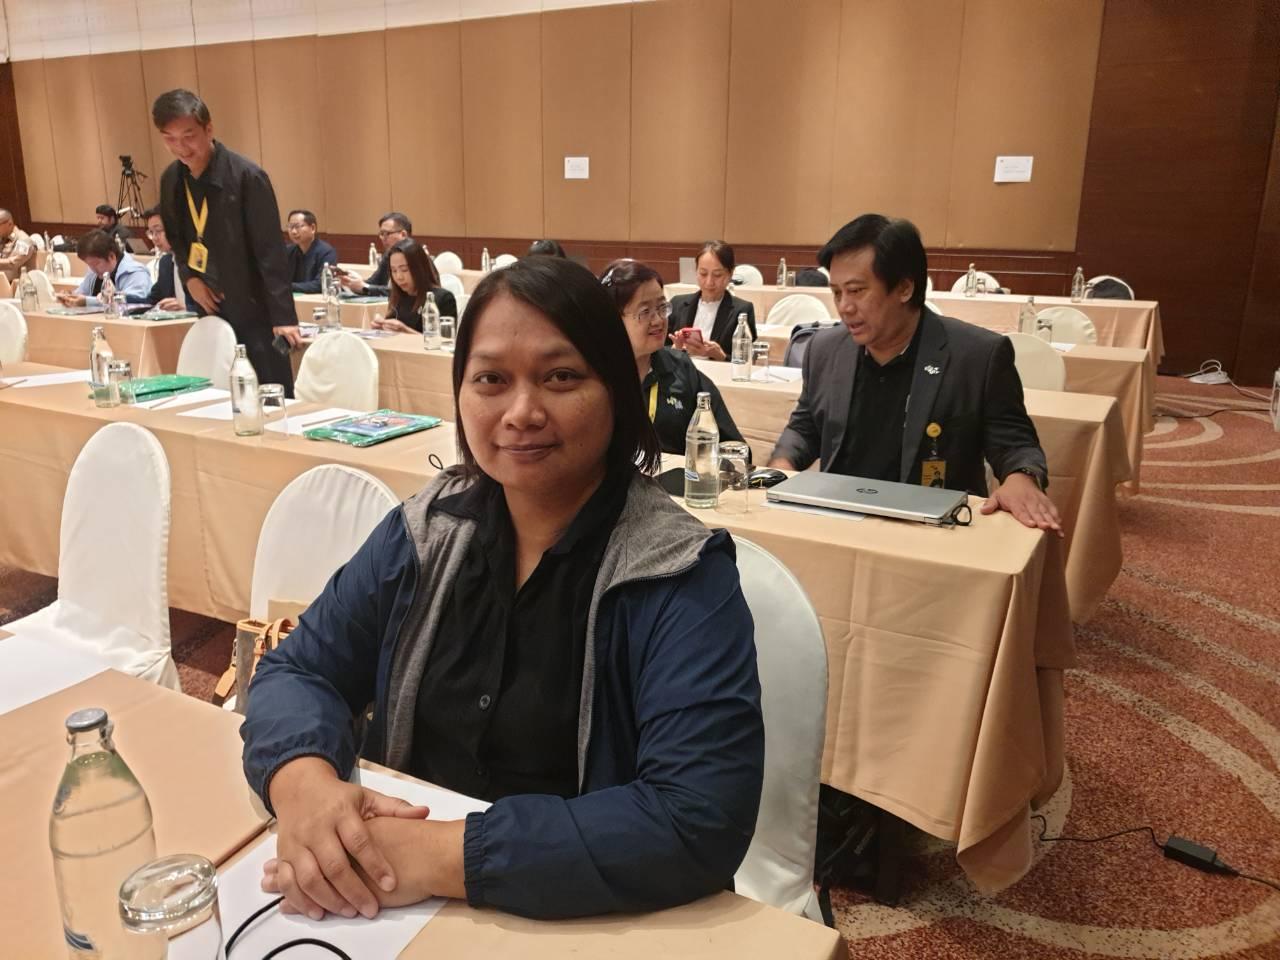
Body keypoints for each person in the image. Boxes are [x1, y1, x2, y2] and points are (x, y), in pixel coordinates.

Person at [241, 256, 763, 923]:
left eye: (561, 377)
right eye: (491, 379)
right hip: (390, 907)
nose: (521, 413)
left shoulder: (680, 570)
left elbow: (696, 816)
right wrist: (302, 781)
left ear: (616, 390)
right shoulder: (426, 530)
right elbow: (299, 669)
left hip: (581, 913)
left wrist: (440, 856)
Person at [769, 214, 1061, 534]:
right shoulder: (825, 348)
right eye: (837, 292)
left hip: (931, 527)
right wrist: (782, 465)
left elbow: (1014, 442)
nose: (844, 307)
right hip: (840, 518)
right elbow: (806, 426)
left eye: (856, 291)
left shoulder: (977, 356)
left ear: (905, 288)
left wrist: (1021, 477)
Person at [153, 89, 299, 392]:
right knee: (219, 392)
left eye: (189, 136)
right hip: (210, 304)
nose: (181, 148)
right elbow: (177, 240)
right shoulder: (171, 180)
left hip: (255, 309)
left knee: (269, 392)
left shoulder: (247, 177)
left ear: (209, 129)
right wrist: (190, 278)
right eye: (170, 139)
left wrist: (283, 317)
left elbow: (271, 252)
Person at [600, 258, 746, 456]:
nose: (658, 320)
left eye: (662, 307)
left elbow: (732, 446)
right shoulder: (594, 375)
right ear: (613, 318)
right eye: (645, 311)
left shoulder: (679, 367)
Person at [666, 241, 756, 362]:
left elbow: (747, 361)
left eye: (717, 275)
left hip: (718, 372)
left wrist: (721, 356)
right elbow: (659, 350)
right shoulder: (678, 304)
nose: (709, 282)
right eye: (703, 274)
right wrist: (675, 349)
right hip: (681, 371)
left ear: (730, 274)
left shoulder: (742, 310)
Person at [369, 238, 458, 333]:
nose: (399, 277)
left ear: (419, 268)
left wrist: (405, 331)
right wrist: (382, 327)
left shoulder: (443, 298)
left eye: (404, 270)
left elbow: (445, 339)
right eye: (394, 271)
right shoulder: (397, 296)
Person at [124, 208, 195, 312]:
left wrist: (186, 308)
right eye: (151, 232)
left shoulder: (196, 260)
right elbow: (151, 301)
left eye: (158, 231)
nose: (154, 238)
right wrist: (120, 298)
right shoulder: (166, 262)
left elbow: (214, 307)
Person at [56, 229, 150, 307]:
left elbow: (133, 301)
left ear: (112, 256)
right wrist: (69, 296)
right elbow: (82, 293)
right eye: (89, 265)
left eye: (96, 264)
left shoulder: (136, 273)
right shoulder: (93, 271)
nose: (93, 269)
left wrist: (88, 302)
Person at [336, 212, 411, 298]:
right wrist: (351, 283)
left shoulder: (415, 257)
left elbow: (403, 291)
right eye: (381, 234)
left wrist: (365, 287)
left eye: (386, 234)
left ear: (403, 234)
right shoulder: (388, 255)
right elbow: (373, 282)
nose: (382, 238)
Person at [284, 209, 338, 294]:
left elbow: (321, 284)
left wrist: (288, 286)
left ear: (313, 228)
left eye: (298, 226)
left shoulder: (326, 252)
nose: (293, 231)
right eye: (290, 227)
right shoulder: (288, 251)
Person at [0, 209, 37, 282]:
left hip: (23, 284)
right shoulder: (2, 238)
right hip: (5, 283)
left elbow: (13, 263)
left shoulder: (23, 240)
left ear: (9, 223)